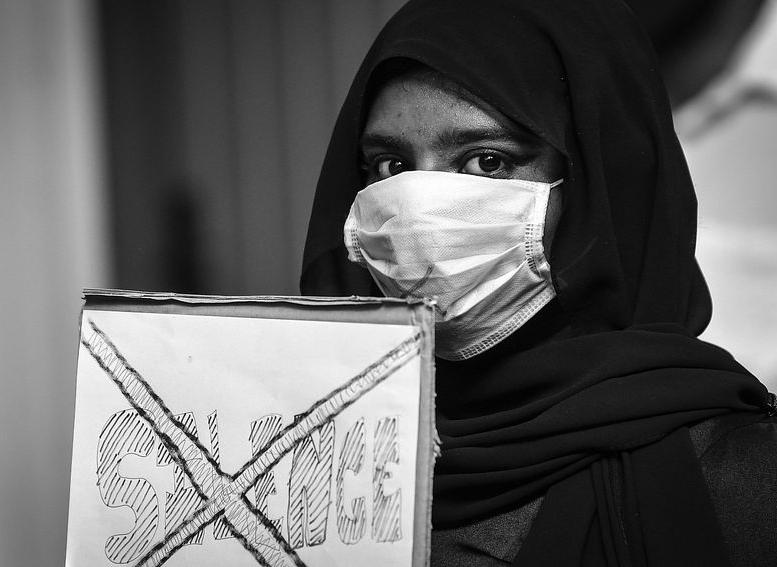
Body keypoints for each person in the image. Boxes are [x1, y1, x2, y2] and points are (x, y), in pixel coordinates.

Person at [300, 0, 777, 565]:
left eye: (487, 162)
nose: (419, 214)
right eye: (391, 166)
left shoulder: (741, 478)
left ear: (600, 186)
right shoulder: (304, 468)